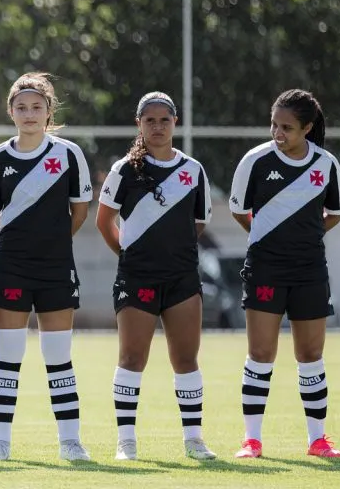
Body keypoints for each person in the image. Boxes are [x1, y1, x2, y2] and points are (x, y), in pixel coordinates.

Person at [95, 92, 216, 461]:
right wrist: (130, 256)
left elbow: (198, 222)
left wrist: (173, 253)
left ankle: (194, 440)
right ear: (139, 124)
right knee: (132, 358)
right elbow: (104, 221)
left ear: (175, 122)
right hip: (137, 278)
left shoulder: (192, 170)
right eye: (150, 120)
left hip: (182, 279)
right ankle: (126, 441)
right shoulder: (124, 171)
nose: (158, 126)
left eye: (165, 119)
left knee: (186, 359)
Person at [0, 73, 92, 461]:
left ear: (48, 112)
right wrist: (18, 244)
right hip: (10, 267)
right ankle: (0, 443)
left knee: (58, 358)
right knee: (7, 356)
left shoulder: (68, 154)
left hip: (56, 267)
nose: (29, 114)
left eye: (36, 107)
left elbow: (79, 212)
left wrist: (52, 242)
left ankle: (71, 443)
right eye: (21, 108)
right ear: (11, 112)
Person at [228, 90, 340, 459]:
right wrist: (267, 236)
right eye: (274, 125)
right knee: (260, 353)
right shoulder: (256, 161)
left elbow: (335, 213)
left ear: (307, 128)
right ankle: (252, 440)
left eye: (287, 128)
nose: (277, 133)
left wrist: (304, 237)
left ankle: (318, 440)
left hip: (310, 269)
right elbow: (238, 210)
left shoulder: (326, 164)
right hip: (265, 267)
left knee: (311, 354)